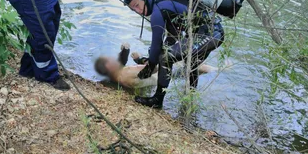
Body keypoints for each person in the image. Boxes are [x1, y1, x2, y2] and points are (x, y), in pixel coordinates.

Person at [123, 0, 225, 108]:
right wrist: (151, 59)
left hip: (210, 34)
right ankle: (189, 100)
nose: (138, 11)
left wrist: (150, 67)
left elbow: (157, 44)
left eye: (137, 5)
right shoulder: (165, 6)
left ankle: (157, 100)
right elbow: (171, 38)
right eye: (133, 9)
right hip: (215, 33)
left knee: (166, 57)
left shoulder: (158, 11)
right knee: (190, 64)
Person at [94, 42, 225, 89]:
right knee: (197, 67)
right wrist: (140, 60)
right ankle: (220, 71)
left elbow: (121, 61)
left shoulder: (115, 77)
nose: (112, 58)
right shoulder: (126, 73)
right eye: (109, 59)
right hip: (163, 75)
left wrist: (125, 50)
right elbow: (154, 67)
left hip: (152, 79)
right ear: (109, 66)